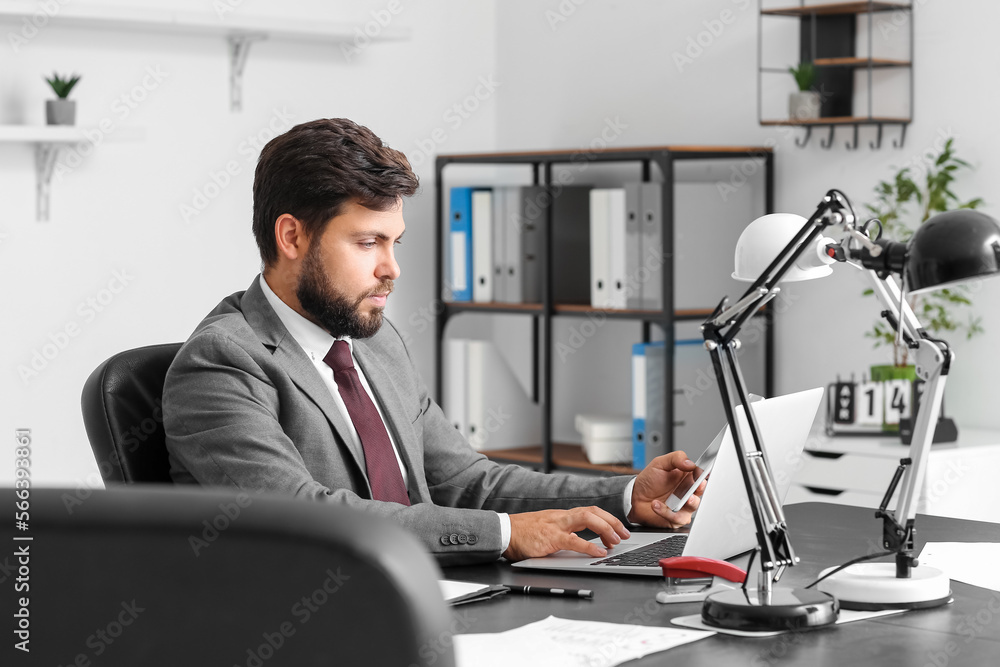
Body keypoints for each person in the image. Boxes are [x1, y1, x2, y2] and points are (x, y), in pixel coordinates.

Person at [163, 118, 704, 566]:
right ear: (292, 237)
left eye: (394, 242)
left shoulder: (373, 342)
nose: (391, 269)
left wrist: (626, 497)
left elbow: (470, 482)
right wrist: (504, 534)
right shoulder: (221, 363)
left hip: (431, 595)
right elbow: (306, 518)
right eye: (368, 242)